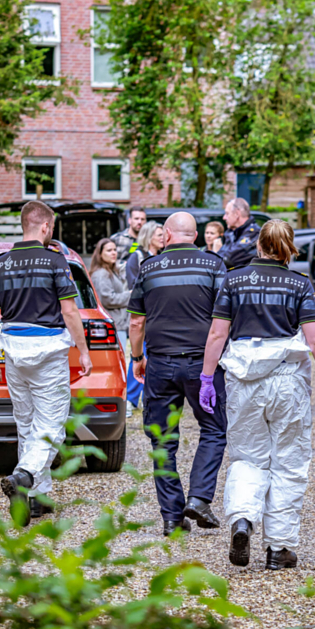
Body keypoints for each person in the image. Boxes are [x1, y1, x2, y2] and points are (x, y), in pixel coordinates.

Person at [200, 219, 315, 570]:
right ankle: (279, 548)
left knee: (248, 457)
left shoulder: (233, 280)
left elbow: (218, 335)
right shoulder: (299, 284)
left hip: (244, 381)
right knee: (288, 462)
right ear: (288, 248)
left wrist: (206, 377)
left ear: (258, 246)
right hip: (286, 380)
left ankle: (244, 519)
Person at [0, 201, 94, 526]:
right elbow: (70, 311)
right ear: (45, 227)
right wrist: (84, 351)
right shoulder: (56, 262)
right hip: (48, 352)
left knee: (26, 423)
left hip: (14, 352)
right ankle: (24, 477)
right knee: (51, 426)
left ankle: (35, 499)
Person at [127, 212, 229, 537]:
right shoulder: (214, 265)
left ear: (167, 234)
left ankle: (172, 518)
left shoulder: (148, 267)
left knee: (162, 439)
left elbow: (135, 322)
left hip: (159, 363)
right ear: (196, 236)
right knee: (213, 429)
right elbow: (225, 318)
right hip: (203, 365)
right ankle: (199, 499)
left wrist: (136, 357)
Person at [124, 221, 164, 413]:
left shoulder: (164, 258)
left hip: (160, 317)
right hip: (144, 315)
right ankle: (130, 400)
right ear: (149, 237)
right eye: (159, 235)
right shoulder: (137, 257)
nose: (163, 238)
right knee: (138, 353)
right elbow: (134, 288)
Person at [90, 238, 133, 412]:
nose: (113, 253)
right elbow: (107, 298)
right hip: (113, 325)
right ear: (100, 254)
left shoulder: (111, 271)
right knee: (119, 365)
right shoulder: (101, 274)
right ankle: (123, 403)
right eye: (108, 250)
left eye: (115, 249)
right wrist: (129, 295)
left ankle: (124, 402)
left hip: (120, 324)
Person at [217, 197, 261, 269]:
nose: (224, 217)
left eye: (227, 213)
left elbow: (230, 259)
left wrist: (216, 253)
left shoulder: (254, 233)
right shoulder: (231, 232)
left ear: (237, 214)